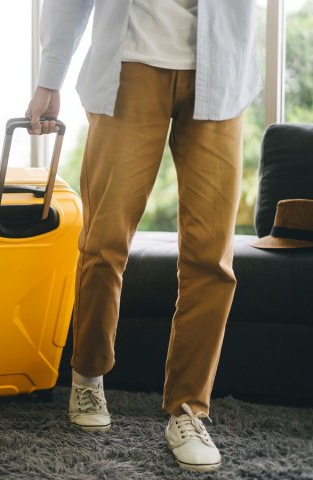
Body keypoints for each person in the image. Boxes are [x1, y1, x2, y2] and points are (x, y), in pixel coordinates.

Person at [25, 0, 261, 473]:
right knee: (104, 242)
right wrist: (49, 77)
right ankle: (88, 377)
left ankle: (188, 410)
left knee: (211, 260)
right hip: (128, 63)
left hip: (220, 70)